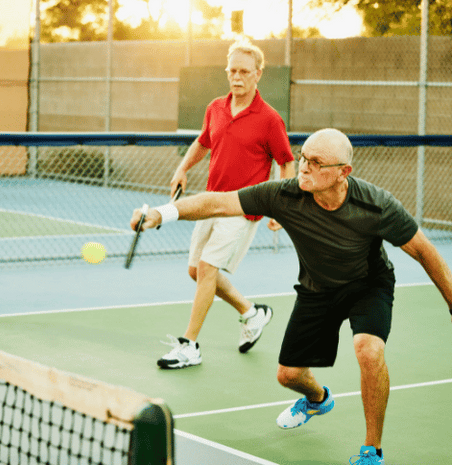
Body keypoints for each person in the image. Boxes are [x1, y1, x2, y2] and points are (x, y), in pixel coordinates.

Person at [131, 128, 452, 464]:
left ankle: (372, 450)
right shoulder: (285, 194)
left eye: (316, 162)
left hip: (367, 286)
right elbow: (219, 201)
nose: (304, 167)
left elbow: (424, 251)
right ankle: (317, 399)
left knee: (368, 351)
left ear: (344, 172)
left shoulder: (376, 205)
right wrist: (161, 214)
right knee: (288, 375)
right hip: (317, 289)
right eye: (303, 158)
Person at [155, 39, 295, 370]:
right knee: (196, 271)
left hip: (242, 208)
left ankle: (189, 345)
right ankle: (251, 312)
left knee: (206, 270)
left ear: (258, 74)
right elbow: (203, 141)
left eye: (244, 71)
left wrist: (280, 206)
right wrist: (182, 168)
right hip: (210, 201)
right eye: (232, 70)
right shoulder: (215, 107)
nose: (237, 77)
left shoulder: (270, 119)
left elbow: (286, 163)